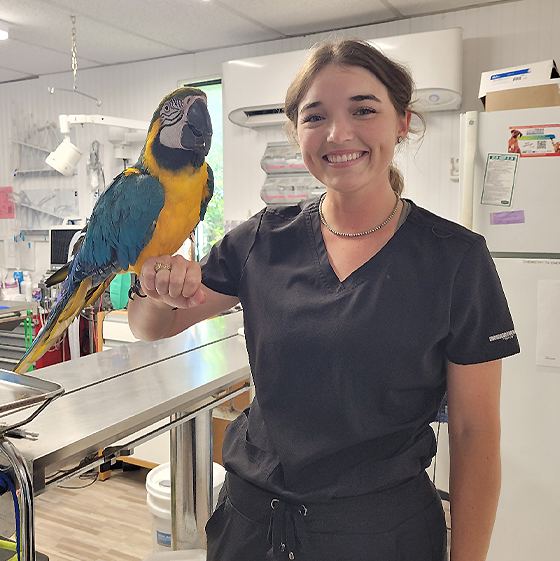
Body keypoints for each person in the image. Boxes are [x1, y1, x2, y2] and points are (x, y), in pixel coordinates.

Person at [128, 39, 520, 561]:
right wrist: (153, 287)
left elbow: (474, 435)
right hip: (252, 528)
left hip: (380, 536)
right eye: (316, 117)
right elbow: (150, 326)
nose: (339, 133)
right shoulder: (262, 239)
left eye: (363, 109)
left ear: (402, 121)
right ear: (297, 133)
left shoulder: (455, 260)